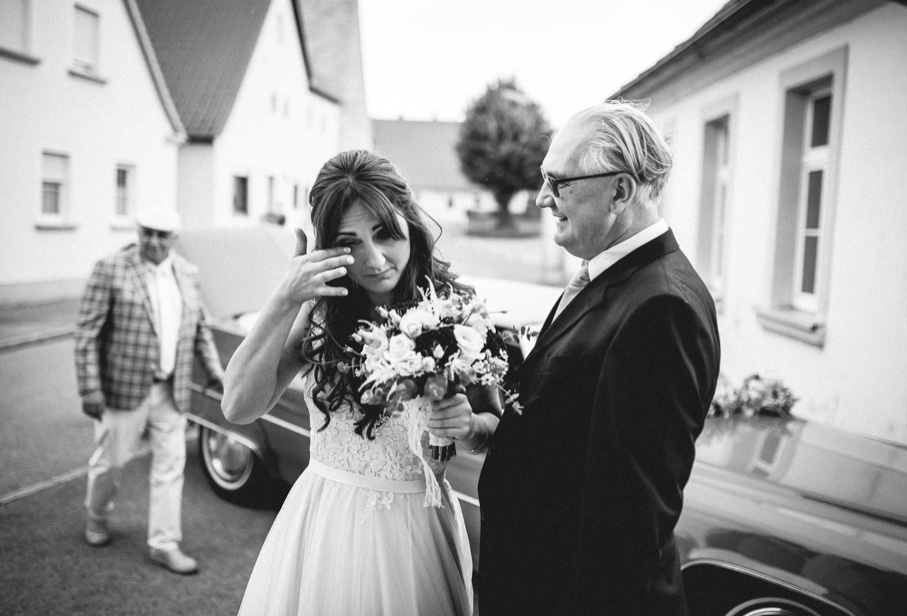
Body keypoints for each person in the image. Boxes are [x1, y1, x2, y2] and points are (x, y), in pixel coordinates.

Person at [223, 150, 500, 616]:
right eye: (349, 242)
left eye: (385, 233)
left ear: (409, 222)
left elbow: (491, 425)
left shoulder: (457, 308)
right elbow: (237, 407)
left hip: (419, 530)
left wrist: (469, 426)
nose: (373, 260)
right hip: (326, 522)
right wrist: (284, 298)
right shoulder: (320, 310)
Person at [477, 100, 722, 615]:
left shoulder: (662, 308)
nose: (544, 198)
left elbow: (627, 523)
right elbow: (573, 433)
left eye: (559, 181)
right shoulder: (609, 275)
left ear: (620, 190)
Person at [74, 207, 224, 575]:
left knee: (171, 467)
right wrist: (89, 389)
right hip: (122, 390)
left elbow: (199, 328)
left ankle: (164, 543)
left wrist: (215, 372)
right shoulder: (111, 268)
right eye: (148, 233)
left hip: (171, 390)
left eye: (163, 235)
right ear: (138, 232)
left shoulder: (188, 272)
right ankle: (97, 515)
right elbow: (87, 334)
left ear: (174, 238)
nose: (155, 241)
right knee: (111, 462)